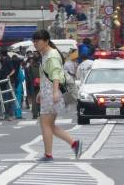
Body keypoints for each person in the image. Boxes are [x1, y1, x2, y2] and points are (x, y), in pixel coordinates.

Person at [33, 29, 81, 162]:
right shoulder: (47, 54)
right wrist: (40, 92)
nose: (35, 43)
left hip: (51, 92)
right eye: (34, 41)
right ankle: (73, 143)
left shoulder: (51, 55)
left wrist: (54, 92)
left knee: (45, 124)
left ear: (46, 41)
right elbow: (46, 76)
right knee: (50, 125)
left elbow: (55, 75)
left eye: (38, 41)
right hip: (48, 91)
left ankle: (49, 154)